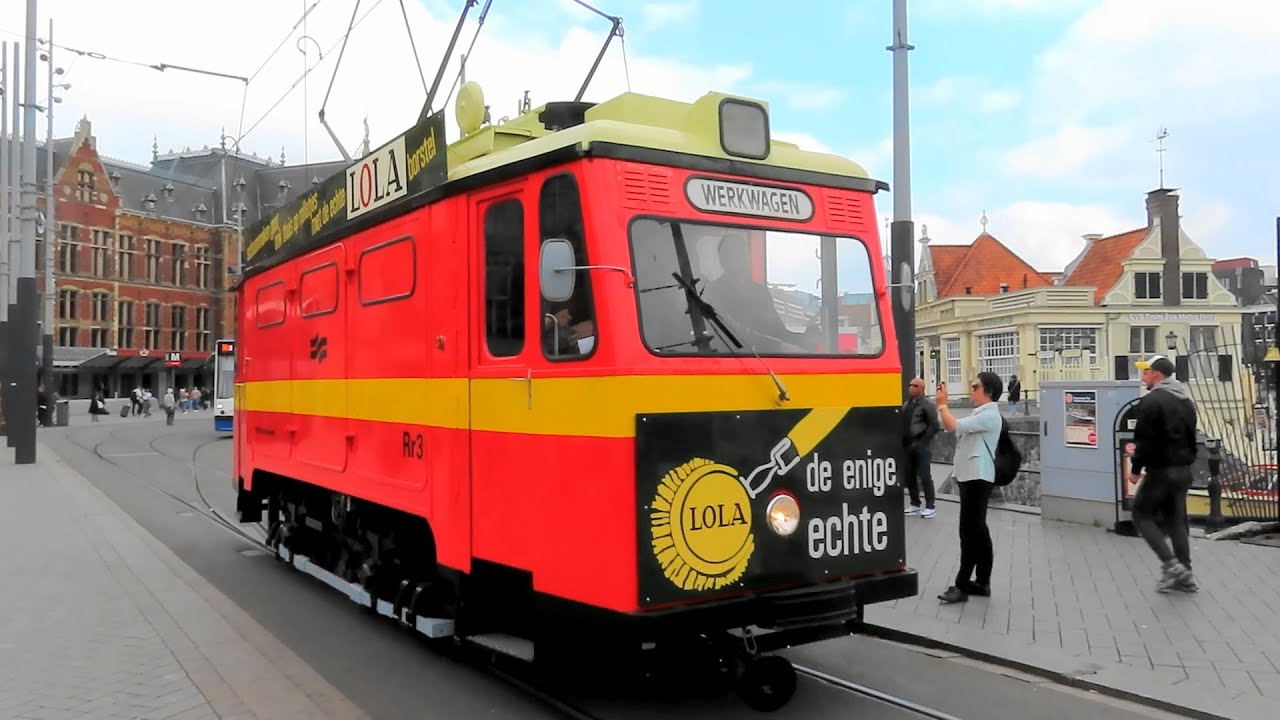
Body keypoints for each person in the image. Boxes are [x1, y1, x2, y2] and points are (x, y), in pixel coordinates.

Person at [1129, 354, 1199, 593]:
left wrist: (1136, 469)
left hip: (1160, 471)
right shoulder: (1186, 401)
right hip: (1183, 470)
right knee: (1176, 520)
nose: (1142, 377)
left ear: (1156, 375)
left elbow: (1144, 440)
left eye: (1145, 372)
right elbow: (1193, 438)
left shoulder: (1151, 402)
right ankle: (1185, 574)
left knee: (1141, 515)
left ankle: (1171, 565)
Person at [935, 372, 1004, 604]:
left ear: (989, 391)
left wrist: (943, 404)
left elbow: (953, 424)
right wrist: (944, 407)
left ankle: (962, 584)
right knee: (979, 532)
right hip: (971, 476)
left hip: (977, 477)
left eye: (975, 386)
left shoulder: (990, 415)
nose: (971, 389)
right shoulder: (981, 413)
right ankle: (982, 582)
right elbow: (950, 426)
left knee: (969, 533)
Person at [902, 377, 940, 518]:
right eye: (910, 385)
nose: (911, 387)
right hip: (907, 446)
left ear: (922, 389)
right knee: (909, 475)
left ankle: (930, 506)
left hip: (921, 446)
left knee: (925, 476)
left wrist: (923, 441)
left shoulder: (928, 405)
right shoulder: (907, 404)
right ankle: (915, 503)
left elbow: (934, 425)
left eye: (915, 385)